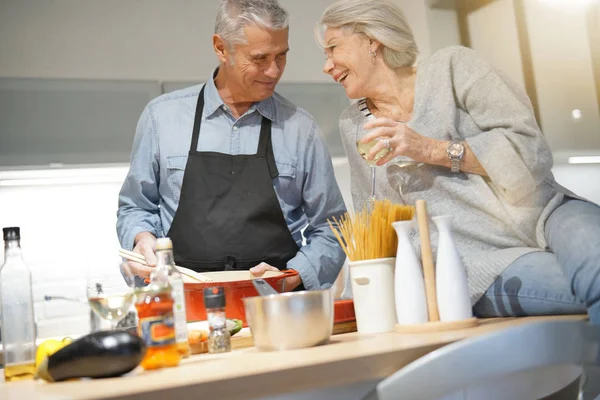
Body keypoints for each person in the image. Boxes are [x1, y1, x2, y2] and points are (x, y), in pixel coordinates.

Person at [316, 0, 600, 323]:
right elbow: (375, 221)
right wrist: (356, 303)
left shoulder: (453, 67)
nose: (327, 66)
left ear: (372, 41)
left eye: (333, 48)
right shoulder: (354, 125)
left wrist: (427, 148)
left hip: (547, 213)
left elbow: (530, 150)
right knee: (582, 285)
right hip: (474, 260)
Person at [117, 0, 347, 291]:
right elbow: (135, 206)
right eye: (260, 58)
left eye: (281, 56)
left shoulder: (301, 129)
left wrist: (293, 276)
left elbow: (333, 227)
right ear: (221, 48)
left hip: (276, 311)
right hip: (184, 308)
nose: (274, 71)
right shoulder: (161, 117)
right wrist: (142, 239)